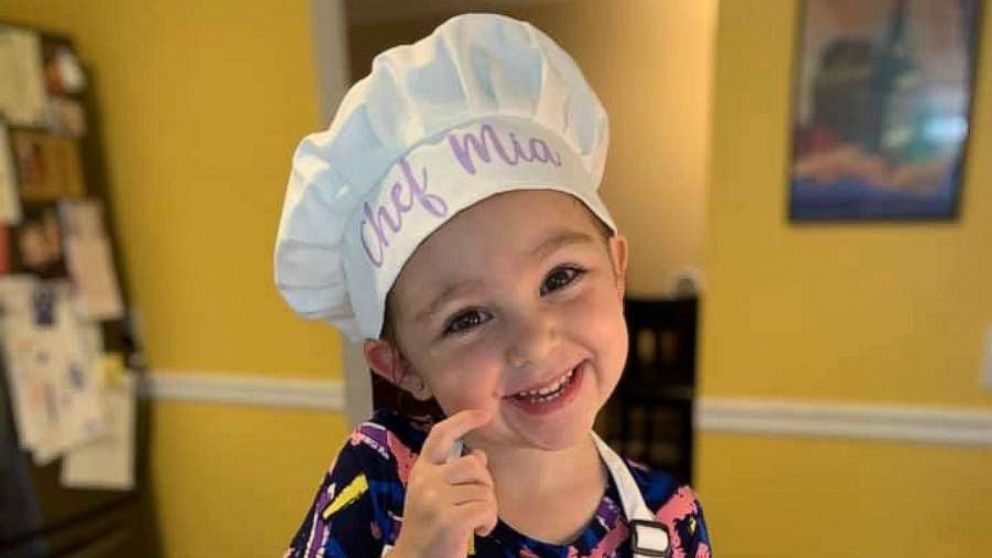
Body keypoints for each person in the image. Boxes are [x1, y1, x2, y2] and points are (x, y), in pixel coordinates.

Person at [274, 13, 712, 558]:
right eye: (467, 318)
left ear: (617, 268)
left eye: (560, 277)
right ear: (400, 365)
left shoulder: (670, 519)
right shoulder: (380, 479)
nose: (534, 342)